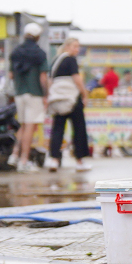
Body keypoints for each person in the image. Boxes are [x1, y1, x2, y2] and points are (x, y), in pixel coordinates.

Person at [7, 23, 49, 172]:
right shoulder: (40, 54)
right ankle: (24, 160)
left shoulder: (15, 52)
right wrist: (46, 95)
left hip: (19, 93)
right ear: (37, 37)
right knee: (30, 127)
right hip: (34, 93)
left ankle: (14, 155)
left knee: (23, 125)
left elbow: (11, 74)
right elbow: (43, 77)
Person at [47, 37, 92, 172]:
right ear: (67, 46)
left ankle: (54, 160)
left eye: (78, 47)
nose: (77, 49)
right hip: (72, 99)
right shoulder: (71, 60)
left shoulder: (56, 61)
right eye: (74, 46)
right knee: (78, 129)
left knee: (57, 129)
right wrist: (84, 94)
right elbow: (76, 79)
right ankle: (79, 161)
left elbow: (50, 80)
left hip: (58, 99)